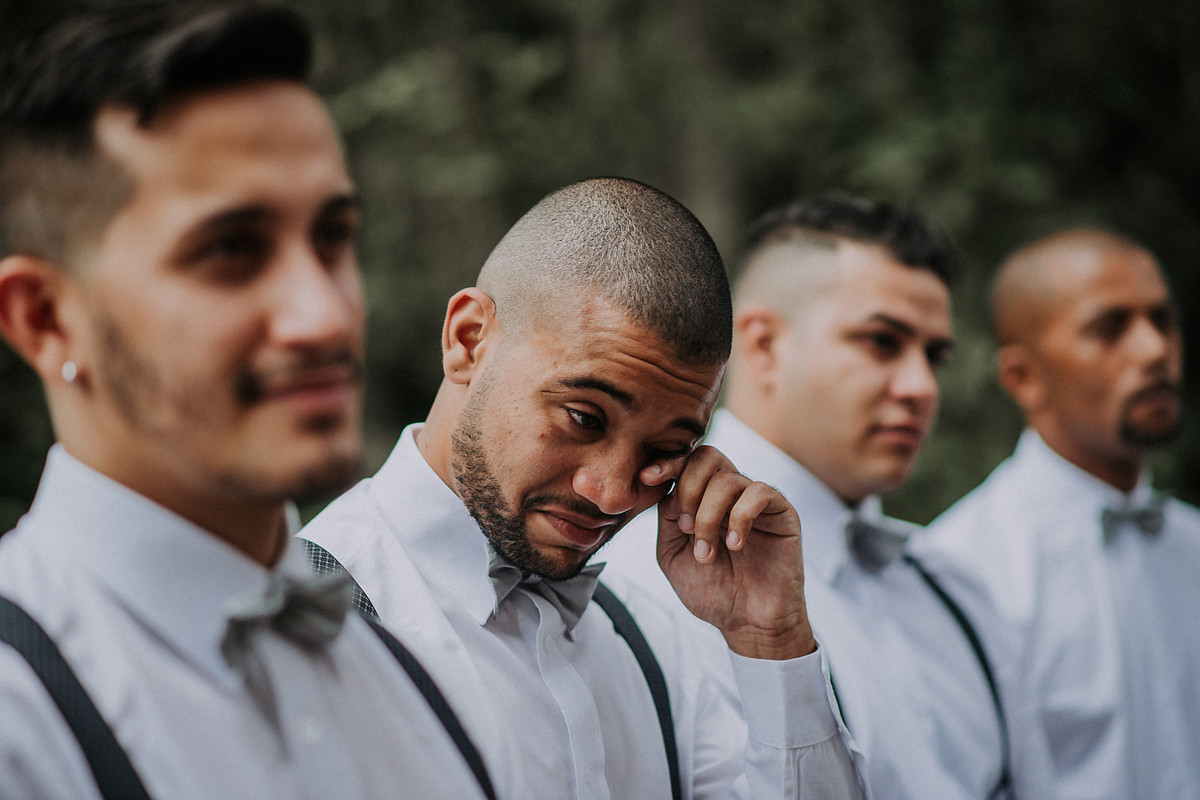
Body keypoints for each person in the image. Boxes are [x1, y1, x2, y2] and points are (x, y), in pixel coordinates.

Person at [0, 5, 491, 798]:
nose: (324, 315)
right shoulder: (20, 718)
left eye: (332, 236)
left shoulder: (416, 684)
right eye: (231, 250)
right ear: (46, 319)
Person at [301, 176, 867, 799]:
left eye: (665, 451)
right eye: (583, 418)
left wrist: (771, 642)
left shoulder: (650, 639)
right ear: (469, 340)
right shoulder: (307, 624)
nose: (612, 494)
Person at [602, 193, 1056, 799]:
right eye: (882, 342)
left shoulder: (956, 591)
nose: (922, 386)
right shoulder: (641, 584)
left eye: (934, 356)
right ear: (763, 345)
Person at [916, 228, 1200, 799]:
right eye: (1110, 328)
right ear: (1023, 377)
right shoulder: (960, 571)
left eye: (1163, 321)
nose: (1154, 350)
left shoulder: (1193, 545)